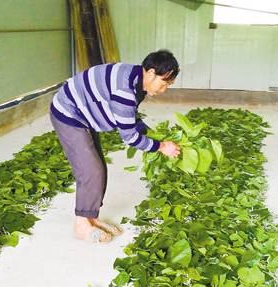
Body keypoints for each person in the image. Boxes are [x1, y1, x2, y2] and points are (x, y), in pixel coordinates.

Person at [50, 49, 181, 243]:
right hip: (69, 113)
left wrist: (147, 132)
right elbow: (130, 137)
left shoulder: (136, 78)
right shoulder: (125, 91)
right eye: (164, 83)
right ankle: (81, 225)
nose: (164, 90)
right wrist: (161, 146)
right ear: (151, 73)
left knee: (98, 168)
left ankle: (91, 218)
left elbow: (128, 116)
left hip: (85, 111)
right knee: (90, 170)